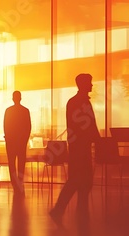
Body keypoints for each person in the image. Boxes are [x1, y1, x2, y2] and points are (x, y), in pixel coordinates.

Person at [49, 73, 100, 226]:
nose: (91, 85)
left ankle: (68, 209)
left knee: (80, 180)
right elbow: (88, 125)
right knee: (79, 180)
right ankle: (66, 209)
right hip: (80, 148)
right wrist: (96, 139)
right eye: (89, 83)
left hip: (79, 147)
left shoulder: (76, 102)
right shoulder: (79, 102)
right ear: (83, 84)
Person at [3, 91, 31, 194]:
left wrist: (8, 138)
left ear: (13, 98)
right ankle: (19, 181)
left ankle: (14, 182)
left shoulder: (8, 111)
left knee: (11, 162)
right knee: (21, 162)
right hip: (21, 141)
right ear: (20, 98)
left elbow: (6, 126)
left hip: (11, 141)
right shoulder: (25, 111)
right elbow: (28, 127)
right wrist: (25, 139)